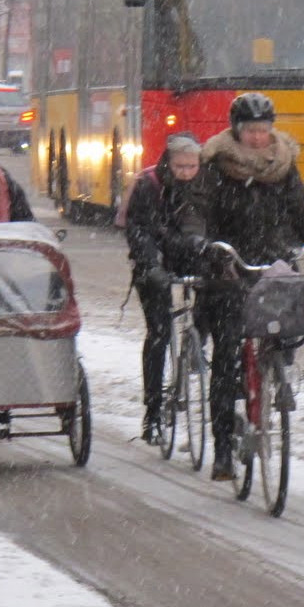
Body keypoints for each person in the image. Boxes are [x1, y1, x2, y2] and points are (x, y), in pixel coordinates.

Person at [180, 92, 304, 482]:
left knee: (286, 327)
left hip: (272, 266)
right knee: (226, 356)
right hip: (231, 267)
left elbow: (302, 208)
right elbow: (196, 212)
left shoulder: (285, 166)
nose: (258, 137)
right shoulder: (216, 166)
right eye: (251, 130)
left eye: (263, 129)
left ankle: (277, 371)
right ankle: (223, 447)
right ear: (236, 132)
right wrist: (203, 243)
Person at [124, 133, 204, 445]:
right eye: (181, 166)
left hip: (190, 257)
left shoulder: (206, 186)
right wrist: (150, 265)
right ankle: (153, 412)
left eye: (192, 166)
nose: (186, 172)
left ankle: (197, 352)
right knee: (158, 333)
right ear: (168, 163)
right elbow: (139, 230)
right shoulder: (150, 186)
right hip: (153, 262)